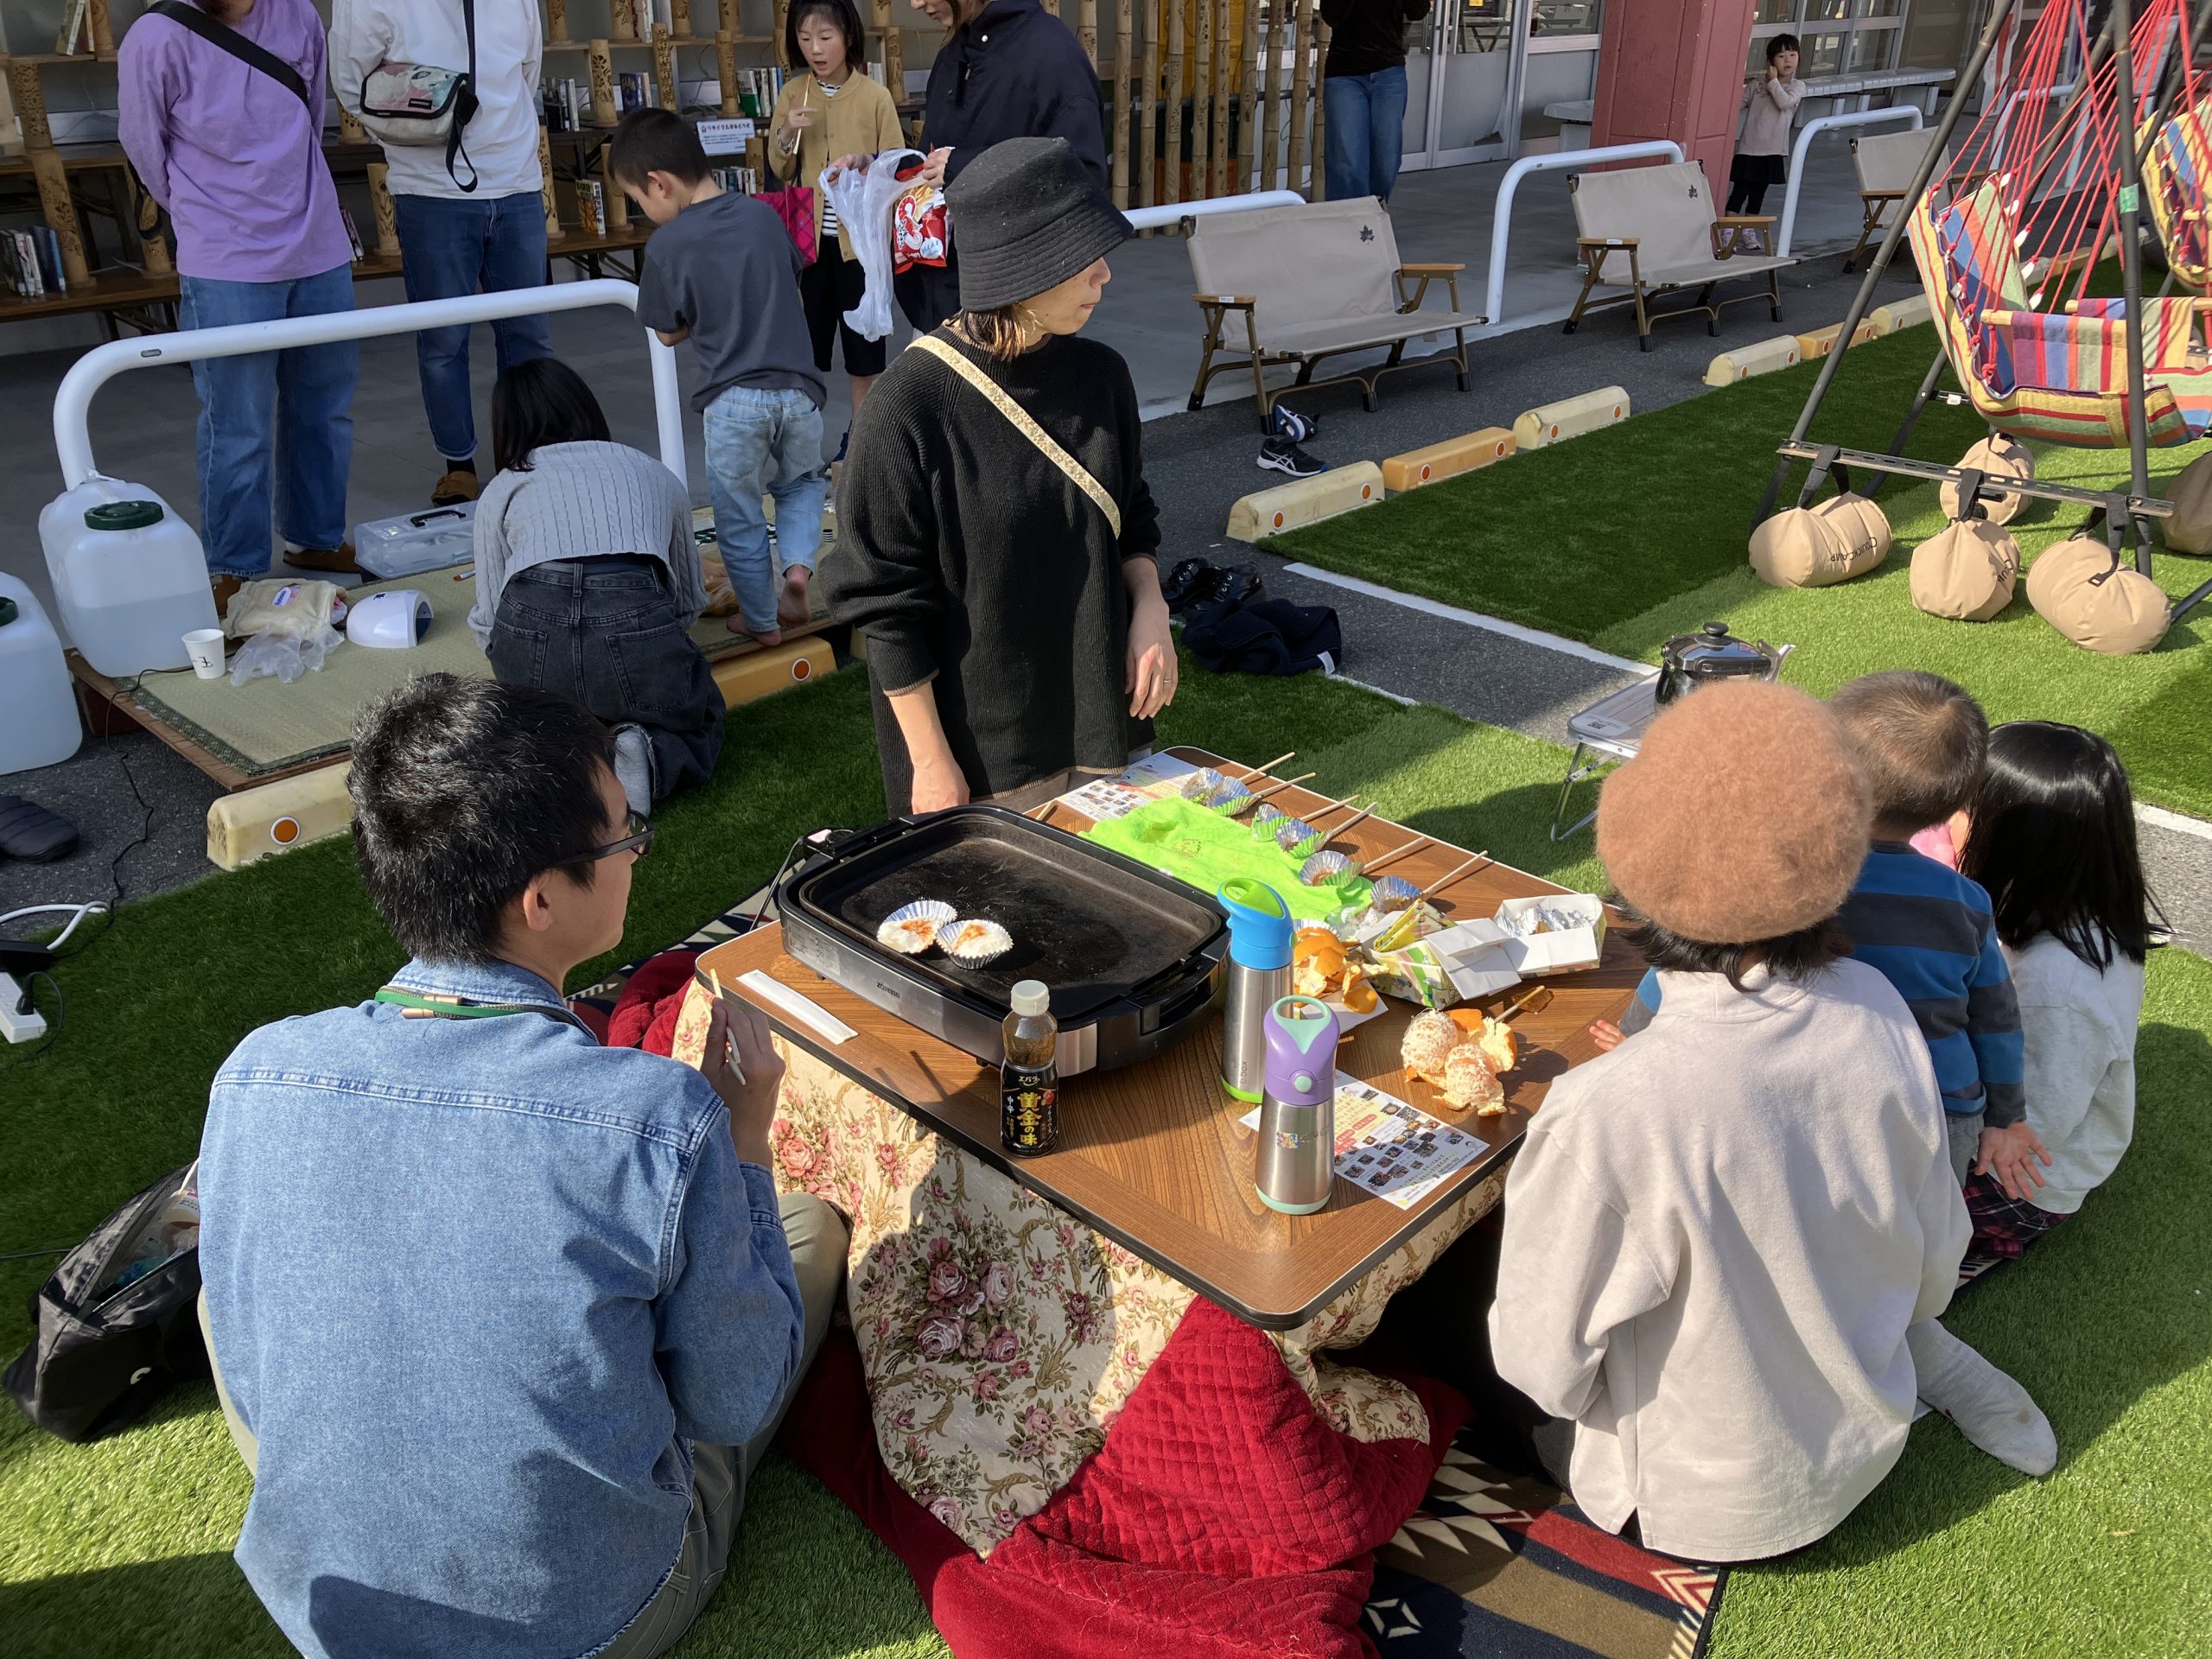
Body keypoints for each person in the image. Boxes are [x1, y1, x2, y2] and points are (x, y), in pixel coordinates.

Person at [196, 673, 848, 1659]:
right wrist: (743, 1142)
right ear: (541, 898)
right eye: (624, 835)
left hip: (326, 1604)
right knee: (808, 1231)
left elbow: (248, 1371)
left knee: (224, 1298)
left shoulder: (256, 1071)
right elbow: (731, 1399)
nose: (637, 853)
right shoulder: (656, 1118)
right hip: (586, 1617)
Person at [1490, 681, 2038, 1566]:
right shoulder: (1877, 1002)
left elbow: (1540, 1370)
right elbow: (1935, 1260)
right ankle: (1935, 1367)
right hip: (1864, 1436)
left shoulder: (1600, 1111)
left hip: (1709, 1505)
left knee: (1445, 1311)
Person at [822, 137, 1177, 816]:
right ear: (1024, 266)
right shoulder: (907, 405)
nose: (1105, 275)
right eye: (1082, 257)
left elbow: (1131, 514)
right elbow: (883, 604)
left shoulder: (1103, 376)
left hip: (1104, 726)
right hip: (979, 761)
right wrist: (931, 764)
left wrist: (1151, 607)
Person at [1609, 671, 2035, 1192]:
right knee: (1924, 1224)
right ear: (1951, 806)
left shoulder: (1793, 877)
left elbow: (1695, 950)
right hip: (1941, 1103)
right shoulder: (1966, 901)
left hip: (1804, 1091)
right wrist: (2006, 1116)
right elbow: (1996, 1017)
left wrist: (1636, 1035)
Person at [118, 0, 360, 611]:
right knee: (238, 422)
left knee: (325, 409)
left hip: (319, 242)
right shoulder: (156, 36)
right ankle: (232, 561)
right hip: (225, 256)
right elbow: (143, 144)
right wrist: (202, 213)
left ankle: (315, 538)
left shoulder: (299, 14)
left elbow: (310, 115)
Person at [613, 108, 829, 646]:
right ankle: (797, 571)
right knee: (802, 483)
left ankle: (760, 621)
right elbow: (790, 290)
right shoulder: (763, 217)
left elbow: (666, 333)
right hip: (799, 390)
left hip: (733, 402)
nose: (644, 212)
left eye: (638, 200)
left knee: (739, 514)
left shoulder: (667, 246)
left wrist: (707, 316)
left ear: (659, 183)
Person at [470, 359, 721, 810]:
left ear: (506, 427)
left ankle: (555, 764)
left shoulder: (503, 488)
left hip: (529, 632)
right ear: (585, 407)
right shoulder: (654, 472)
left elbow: (488, 620)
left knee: (538, 727)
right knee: (701, 710)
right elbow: (687, 603)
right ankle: (645, 757)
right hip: (634, 618)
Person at [332, 0, 551, 505]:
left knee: (530, 336)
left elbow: (527, 71)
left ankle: (530, 455)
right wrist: (408, 134)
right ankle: (458, 463)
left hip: (517, 181)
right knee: (443, 341)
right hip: (429, 190)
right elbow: (350, 82)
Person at [1955, 721, 2159, 1262]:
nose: (1947, 818)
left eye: (1964, 807)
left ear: (2010, 842)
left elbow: (2027, 1128)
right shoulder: (2075, 908)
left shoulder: (2058, 986)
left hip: (2024, 1181)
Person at [885, 0, 1107, 332]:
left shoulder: (1051, 55)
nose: (916, 3)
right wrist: (879, 168)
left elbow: (1081, 179)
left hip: (1014, 320)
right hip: (939, 304)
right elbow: (935, 160)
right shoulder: (956, 49)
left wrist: (965, 167)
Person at [767, 0, 904, 459]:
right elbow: (780, 169)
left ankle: (859, 447)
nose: (816, 49)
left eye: (825, 37)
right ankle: (803, 449)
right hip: (807, 246)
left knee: (865, 354)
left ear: (847, 37)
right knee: (805, 352)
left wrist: (868, 163)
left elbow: (897, 168)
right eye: (805, 38)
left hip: (860, 246)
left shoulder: (875, 97)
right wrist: (787, 131)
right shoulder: (793, 94)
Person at [1319, 0, 1431, 206]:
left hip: (1389, 73)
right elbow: (1332, 16)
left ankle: (1373, 213)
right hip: (1345, 75)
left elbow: (1418, 10)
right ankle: (1350, 219)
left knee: (1387, 158)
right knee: (1347, 161)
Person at [1728, 34, 1803, 248]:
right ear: (1771, 61)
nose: (1788, 60)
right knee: (1740, 191)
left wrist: (1773, 83)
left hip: (1773, 150)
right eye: (1781, 56)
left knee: (1758, 194)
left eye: (1792, 55)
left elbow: (1784, 102)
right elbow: (1736, 106)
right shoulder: (1756, 85)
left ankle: (1748, 231)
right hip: (1749, 148)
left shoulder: (1797, 86)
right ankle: (1728, 231)